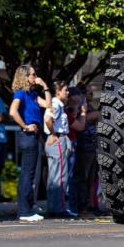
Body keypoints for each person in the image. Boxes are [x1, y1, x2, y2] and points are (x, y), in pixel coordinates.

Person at [9, 65, 51, 223]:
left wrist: (45, 86)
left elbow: (48, 104)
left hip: (34, 136)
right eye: (33, 74)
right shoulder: (20, 93)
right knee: (28, 175)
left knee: (28, 174)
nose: (35, 77)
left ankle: (26, 210)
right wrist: (25, 126)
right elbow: (13, 112)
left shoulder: (32, 94)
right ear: (25, 77)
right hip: (27, 135)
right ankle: (25, 212)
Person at [43, 81, 76, 219]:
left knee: (53, 176)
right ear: (57, 92)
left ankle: (52, 207)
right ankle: (60, 208)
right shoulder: (56, 105)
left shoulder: (55, 104)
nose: (67, 93)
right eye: (65, 90)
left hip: (54, 140)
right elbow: (48, 120)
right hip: (57, 139)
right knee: (61, 176)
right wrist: (53, 134)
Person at [74, 90, 101, 215]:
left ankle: (91, 205)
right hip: (83, 148)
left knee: (91, 179)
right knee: (82, 179)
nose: (92, 95)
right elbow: (80, 120)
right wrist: (83, 113)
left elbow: (98, 115)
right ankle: (82, 205)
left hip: (92, 148)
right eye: (89, 92)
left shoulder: (88, 107)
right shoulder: (75, 109)